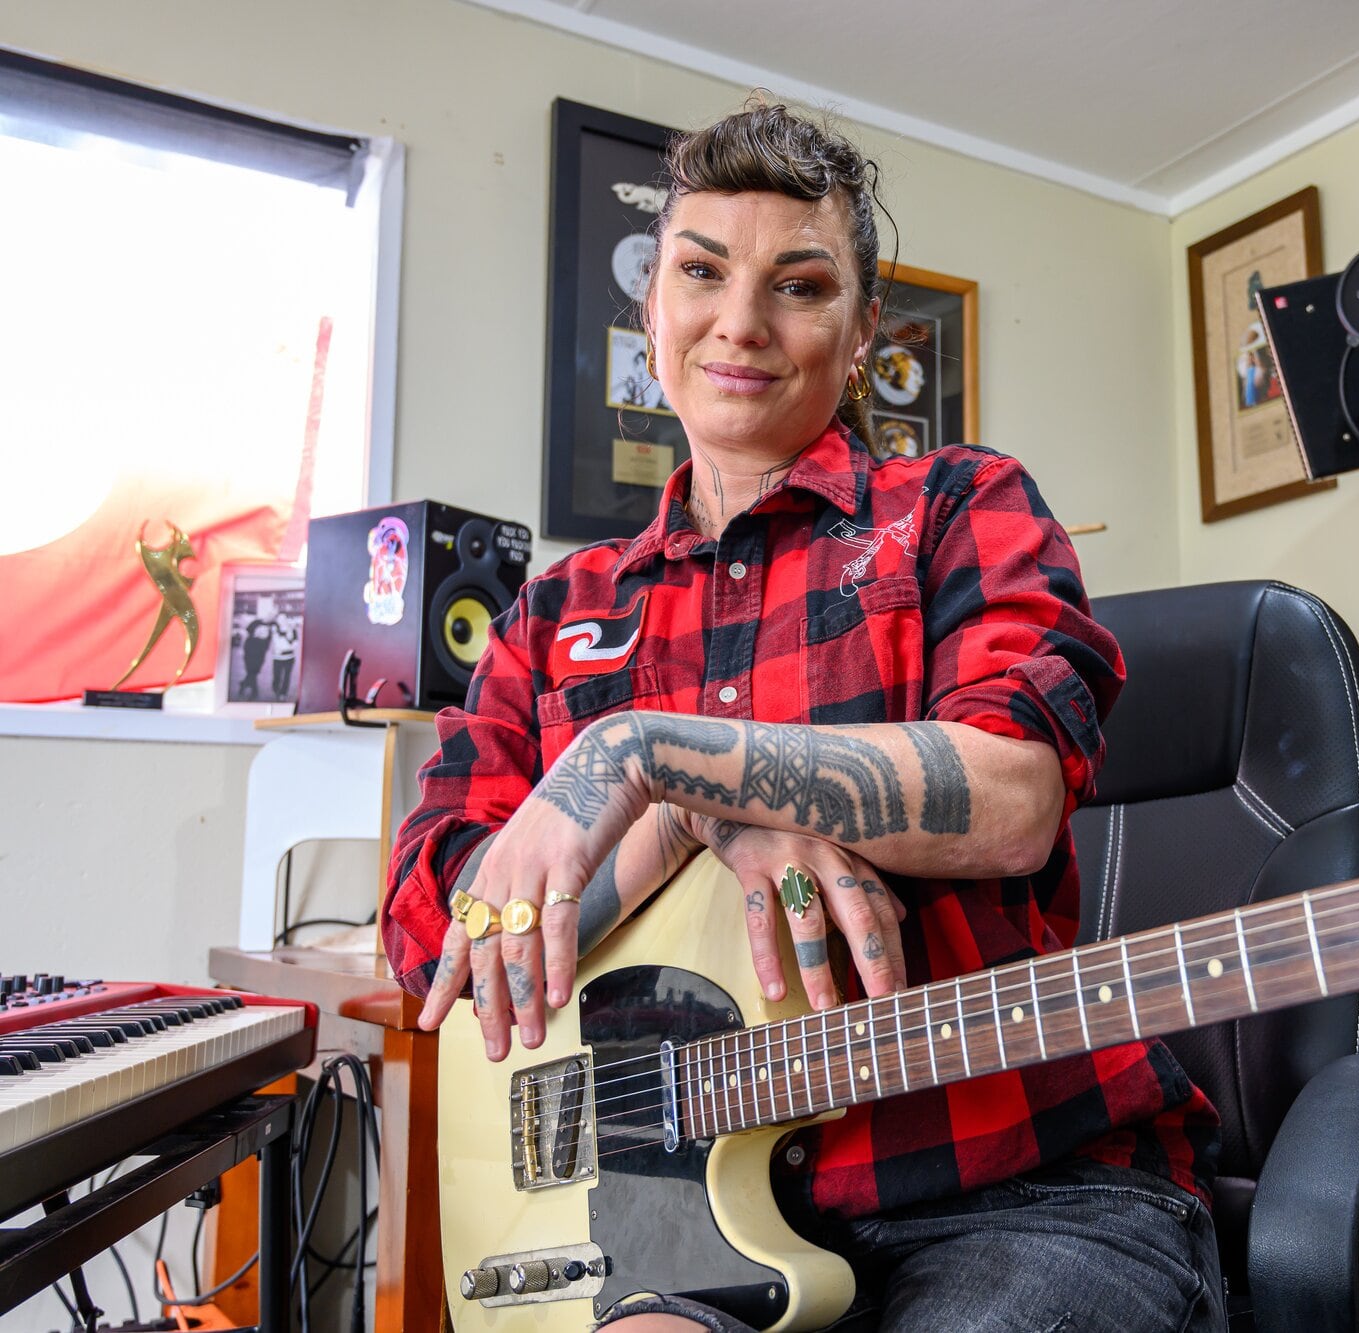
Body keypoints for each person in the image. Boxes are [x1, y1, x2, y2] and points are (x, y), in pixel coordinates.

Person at [385, 100, 1222, 1333]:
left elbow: (1006, 798)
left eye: (799, 284)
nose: (741, 322)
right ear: (649, 311)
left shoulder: (958, 506)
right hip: (666, 1214)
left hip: (1018, 1192)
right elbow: (434, 928)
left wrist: (653, 757)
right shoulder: (552, 611)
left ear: (862, 327)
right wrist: (691, 823)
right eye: (701, 273)